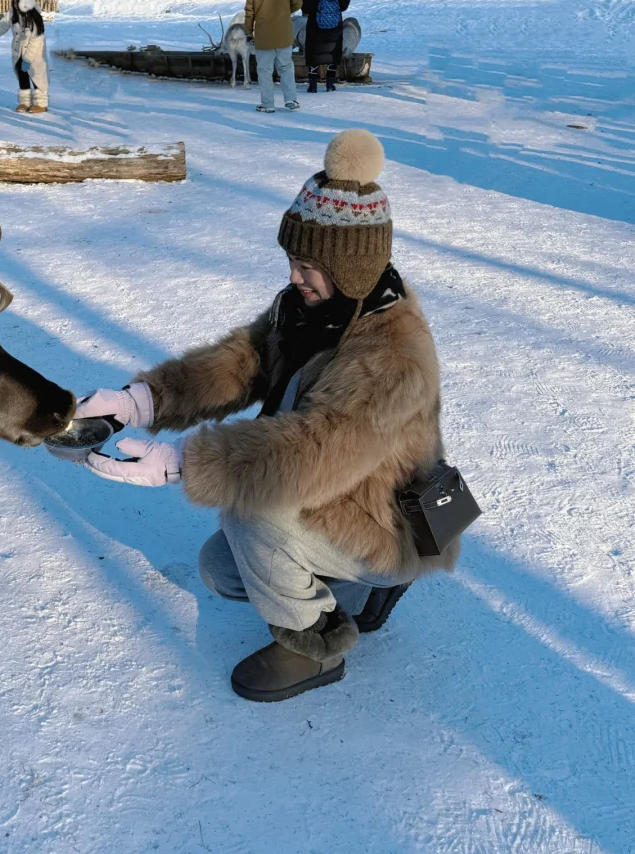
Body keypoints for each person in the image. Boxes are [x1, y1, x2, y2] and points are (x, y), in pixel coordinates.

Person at [75, 130, 457, 703]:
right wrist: (142, 400)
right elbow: (241, 362)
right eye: (292, 261)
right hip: (339, 496)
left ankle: (315, 647)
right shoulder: (314, 311)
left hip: (392, 523)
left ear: (352, 267)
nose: (294, 277)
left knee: (252, 514)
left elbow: (314, 451)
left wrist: (185, 462)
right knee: (222, 570)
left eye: (307, 265)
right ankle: (354, 595)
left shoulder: (392, 355)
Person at [243, 0, 301, 113]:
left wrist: (248, 31)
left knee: (264, 70)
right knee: (286, 67)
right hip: (283, 32)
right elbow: (298, 2)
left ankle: (267, 104)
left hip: (263, 34)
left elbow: (249, 12)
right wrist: (284, 12)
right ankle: (291, 100)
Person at [0, 0, 50, 113]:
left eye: (17, 0)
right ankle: (25, 102)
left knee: (37, 76)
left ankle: (41, 104)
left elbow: (37, 39)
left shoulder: (35, 16)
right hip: (18, 50)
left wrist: (28, 58)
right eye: (14, 0)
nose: (14, 3)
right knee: (22, 75)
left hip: (35, 53)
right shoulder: (13, 12)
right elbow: (2, 25)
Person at [301, 0, 351, 93]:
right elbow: (345, 5)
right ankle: (330, 83)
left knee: (313, 54)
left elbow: (305, 8)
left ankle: (313, 85)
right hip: (335, 26)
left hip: (315, 26)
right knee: (333, 53)